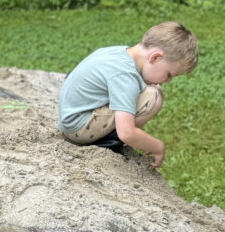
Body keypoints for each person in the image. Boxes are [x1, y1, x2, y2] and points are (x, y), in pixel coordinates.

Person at [57, 22, 198, 168]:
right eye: (169, 74)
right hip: (78, 128)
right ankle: (108, 143)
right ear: (155, 58)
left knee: (146, 90)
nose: (168, 81)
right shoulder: (125, 75)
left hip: (71, 117)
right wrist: (158, 146)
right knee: (153, 96)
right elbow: (127, 133)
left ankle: (109, 134)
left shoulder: (119, 52)